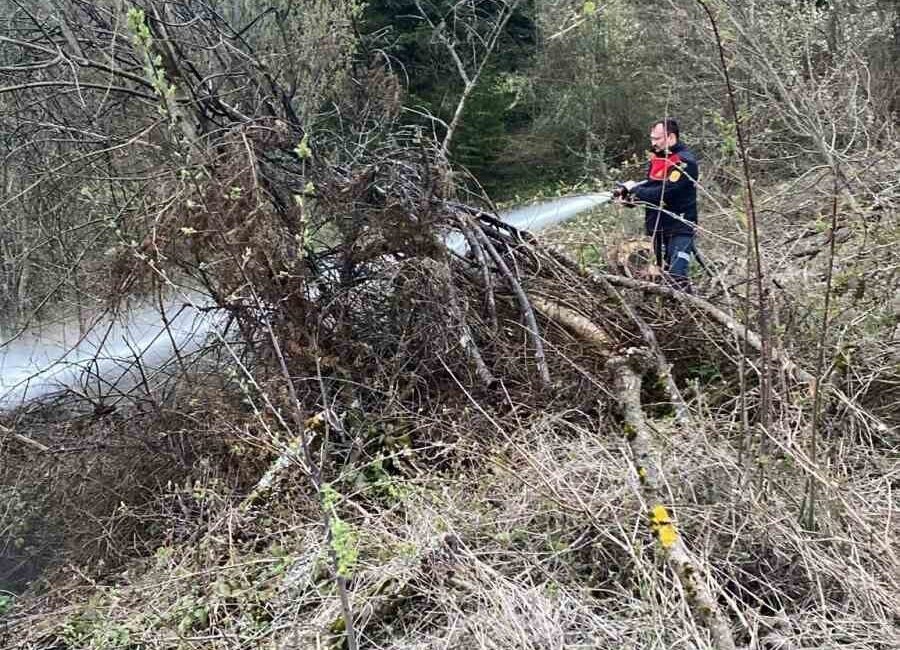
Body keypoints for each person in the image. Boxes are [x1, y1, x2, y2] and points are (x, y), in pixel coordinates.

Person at [616, 118, 699, 292]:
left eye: (657, 139)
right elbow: (651, 187)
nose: (653, 143)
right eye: (652, 138)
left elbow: (664, 192)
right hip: (657, 229)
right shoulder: (658, 158)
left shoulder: (684, 162)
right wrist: (629, 197)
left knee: (677, 276)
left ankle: (690, 307)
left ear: (671, 137)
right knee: (661, 276)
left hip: (680, 228)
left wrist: (635, 191)